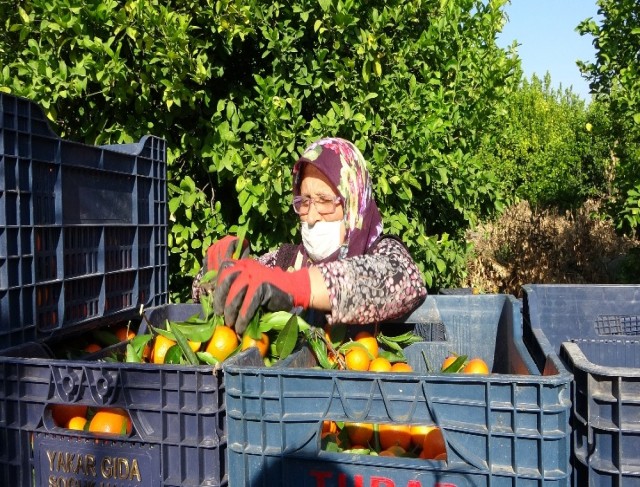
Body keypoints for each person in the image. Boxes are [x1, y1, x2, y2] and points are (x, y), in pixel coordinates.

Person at [192, 137, 427, 333]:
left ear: (353, 205)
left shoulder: (382, 251)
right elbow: (242, 281)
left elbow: (401, 280)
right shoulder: (286, 261)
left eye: (325, 201)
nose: (312, 216)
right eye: (304, 202)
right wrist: (216, 272)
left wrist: (298, 286)